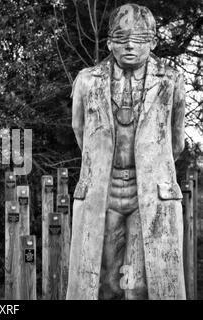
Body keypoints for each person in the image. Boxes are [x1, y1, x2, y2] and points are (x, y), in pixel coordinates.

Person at [67, 3, 186, 300]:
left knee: (142, 283)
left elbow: (176, 141)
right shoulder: (86, 80)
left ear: (154, 42)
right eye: (121, 39)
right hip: (101, 192)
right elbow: (80, 132)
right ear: (109, 43)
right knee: (102, 281)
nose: (130, 45)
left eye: (140, 38)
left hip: (151, 192)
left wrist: (150, 168)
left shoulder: (171, 81)